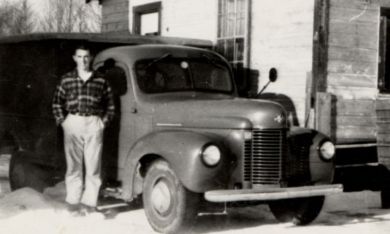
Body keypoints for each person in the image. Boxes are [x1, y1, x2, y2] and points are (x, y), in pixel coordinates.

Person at [52, 44, 115, 215]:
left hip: (93, 123)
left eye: (86, 56)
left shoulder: (101, 80)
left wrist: (103, 122)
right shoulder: (67, 79)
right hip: (73, 122)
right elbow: (57, 102)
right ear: (74, 58)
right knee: (74, 166)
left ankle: (89, 203)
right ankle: (73, 202)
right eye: (79, 56)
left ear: (91, 58)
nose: (83, 60)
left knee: (93, 166)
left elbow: (110, 104)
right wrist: (63, 121)